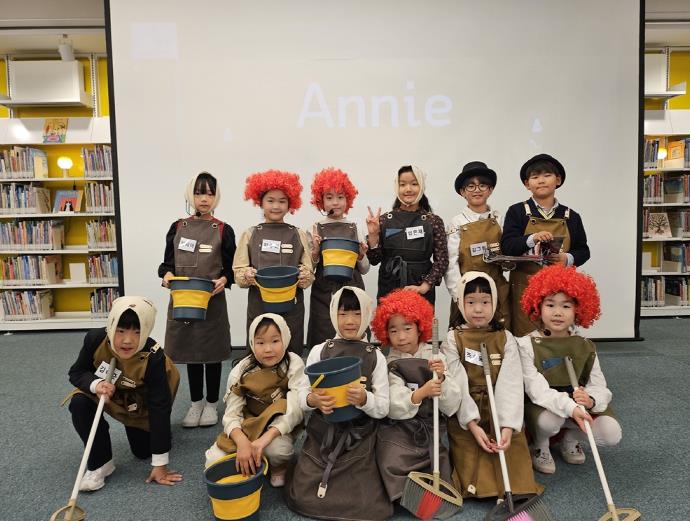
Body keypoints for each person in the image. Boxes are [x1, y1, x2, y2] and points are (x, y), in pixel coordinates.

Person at [285, 286, 393, 521]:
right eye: (343, 313)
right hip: (323, 432)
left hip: (359, 436)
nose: (350, 321)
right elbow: (301, 394)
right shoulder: (320, 351)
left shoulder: (375, 356)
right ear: (333, 314)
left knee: (367, 504)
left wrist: (365, 399)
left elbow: (383, 407)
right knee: (303, 496)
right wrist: (313, 400)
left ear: (367, 314)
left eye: (357, 313)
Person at [442, 271, 542, 499]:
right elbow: (456, 385)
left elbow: (511, 385)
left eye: (485, 302)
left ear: (494, 302)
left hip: (500, 407)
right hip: (467, 410)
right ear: (460, 304)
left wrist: (507, 427)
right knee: (472, 463)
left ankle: (514, 488)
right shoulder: (452, 339)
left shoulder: (506, 338)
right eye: (471, 302)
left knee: (512, 455)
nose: (478, 309)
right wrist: (473, 424)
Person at [65, 296, 182, 491]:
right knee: (79, 402)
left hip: (140, 401)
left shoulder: (154, 357)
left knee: (143, 452)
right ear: (111, 325)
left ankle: (160, 435)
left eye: (137, 332)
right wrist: (96, 384)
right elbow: (77, 372)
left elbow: (159, 406)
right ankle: (101, 463)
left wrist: (160, 463)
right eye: (120, 330)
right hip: (109, 391)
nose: (127, 340)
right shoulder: (95, 339)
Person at [518, 264, 621, 475]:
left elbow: (599, 386)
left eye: (566, 306)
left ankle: (570, 438)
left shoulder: (585, 345)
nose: (557, 313)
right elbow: (537, 392)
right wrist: (570, 407)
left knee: (611, 434)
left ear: (578, 310)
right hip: (545, 407)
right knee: (550, 421)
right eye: (550, 305)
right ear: (538, 307)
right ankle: (540, 445)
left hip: (580, 406)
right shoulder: (525, 345)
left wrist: (591, 400)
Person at [159, 172, 236, 428]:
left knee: (211, 353)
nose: (204, 199)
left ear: (217, 197)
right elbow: (167, 264)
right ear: (190, 195)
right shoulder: (178, 227)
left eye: (210, 194)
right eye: (199, 193)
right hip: (184, 299)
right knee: (191, 351)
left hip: (212, 300)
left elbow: (231, 268)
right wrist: (167, 276)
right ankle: (195, 403)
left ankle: (212, 404)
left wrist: (224, 279)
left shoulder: (223, 229)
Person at [371, 289, 462, 502]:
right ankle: (404, 495)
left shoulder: (436, 356)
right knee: (389, 457)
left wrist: (442, 378)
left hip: (430, 426)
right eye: (393, 330)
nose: (401, 337)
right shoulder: (389, 362)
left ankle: (426, 495)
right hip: (399, 427)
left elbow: (452, 404)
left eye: (407, 328)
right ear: (385, 333)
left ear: (420, 326)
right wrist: (421, 393)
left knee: (437, 460)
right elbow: (393, 405)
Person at [205, 313, 309, 487]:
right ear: (252, 343)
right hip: (248, 425)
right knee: (213, 461)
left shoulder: (294, 363)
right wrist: (242, 442)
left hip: (276, 426)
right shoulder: (241, 370)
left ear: (285, 339)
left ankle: (278, 467)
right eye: (260, 343)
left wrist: (264, 439)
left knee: (278, 452)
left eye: (275, 341)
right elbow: (231, 414)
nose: (268, 349)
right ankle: (250, 459)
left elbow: (295, 409)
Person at [500, 154, 590, 336]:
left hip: (559, 291)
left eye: (547, 175)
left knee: (556, 334)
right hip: (524, 287)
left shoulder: (571, 216)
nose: (541, 181)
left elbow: (583, 250)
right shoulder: (517, 211)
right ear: (527, 184)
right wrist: (532, 238)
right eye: (535, 177)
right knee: (525, 336)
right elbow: (507, 246)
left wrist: (566, 258)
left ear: (558, 180)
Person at [233, 170, 314, 355]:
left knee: (290, 353)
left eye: (282, 201)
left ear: (290, 204)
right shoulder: (250, 234)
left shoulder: (298, 234)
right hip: (259, 305)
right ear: (260, 202)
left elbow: (309, 270)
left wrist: (305, 276)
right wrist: (246, 275)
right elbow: (238, 272)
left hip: (292, 307)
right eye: (270, 201)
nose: (276, 206)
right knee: (261, 354)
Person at [366, 165, 448, 306]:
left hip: (420, 289)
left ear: (421, 187)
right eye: (402, 184)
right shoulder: (384, 220)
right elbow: (374, 260)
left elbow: (442, 260)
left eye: (414, 184)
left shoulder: (433, 221)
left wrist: (425, 286)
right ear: (397, 188)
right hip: (389, 288)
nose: (408, 189)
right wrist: (373, 235)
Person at [307, 167, 369, 347]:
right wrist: (315, 251)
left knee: (354, 332)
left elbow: (365, 268)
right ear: (320, 201)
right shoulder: (314, 228)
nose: (335, 202)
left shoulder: (355, 227)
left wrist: (361, 255)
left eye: (340, 197)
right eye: (329, 197)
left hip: (352, 287)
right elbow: (309, 269)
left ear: (348, 199)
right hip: (323, 291)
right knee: (323, 333)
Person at [445, 161, 510, 329]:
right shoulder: (457, 223)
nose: (477, 190)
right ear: (462, 192)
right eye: (471, 186)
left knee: (499, 337)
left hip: (497, 290)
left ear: (490, 190)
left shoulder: (499, 219)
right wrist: (459, 295)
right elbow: (450, 263)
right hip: (467, 292)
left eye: (482, 185)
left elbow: (508, 253)